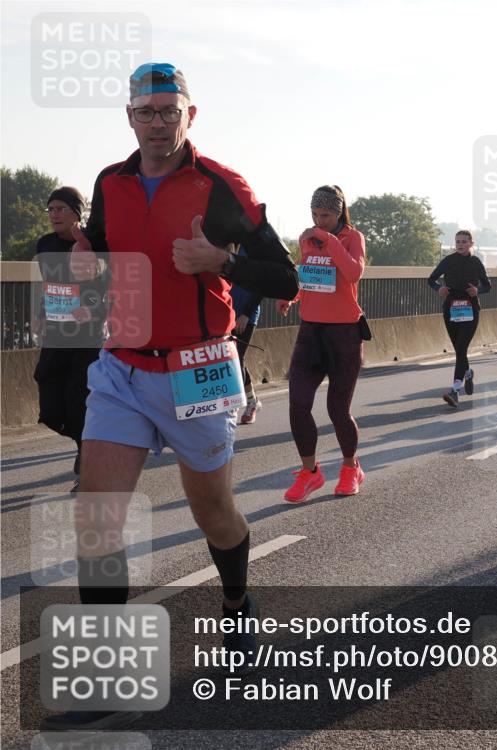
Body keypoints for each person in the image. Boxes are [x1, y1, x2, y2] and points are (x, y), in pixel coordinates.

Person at [46, 63, 299, 732]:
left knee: (214, 512)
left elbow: (287, 279)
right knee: (98, 511)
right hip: (123, 366)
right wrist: (85, 259)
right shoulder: (110, 181)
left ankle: (238, 604)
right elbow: (102, 248)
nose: (157, 121)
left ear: (190, 115)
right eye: (146, 110)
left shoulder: (222, 187)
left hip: (200, 368)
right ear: (130, 117)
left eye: (168, 110)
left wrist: (223, 263)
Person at [277, 185, 367, 501]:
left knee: (337, 409)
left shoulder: (351, 238)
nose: (319, 220)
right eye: (315, 215)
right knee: (298, 403)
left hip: (344, 334)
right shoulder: (306, 239)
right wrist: (294, 296)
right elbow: (315, 277)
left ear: (339, 212)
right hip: (310, 331)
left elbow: (353, 273)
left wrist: (330, 242)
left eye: (326, 215)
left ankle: (350, 467)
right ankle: (310, 472)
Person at [32, 187, 108, 492]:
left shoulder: (97, 244)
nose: (54, 215)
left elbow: (118, 288)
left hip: (89, 337)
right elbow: (50, 284)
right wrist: (39, 312)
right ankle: (85, 442)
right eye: (50, 210)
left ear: (77, 213)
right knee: (49, 406)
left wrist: (93, 310)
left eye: (61, 209)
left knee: (79, 402)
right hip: (56, 333)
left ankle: (87, 463)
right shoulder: (45, 244)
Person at [428, 230, 491, 407]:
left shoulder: (476, 262)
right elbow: (431, 279)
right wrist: (438, 289)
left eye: (464, 241)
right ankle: (468, 372)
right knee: (459, 350)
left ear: (471, 243)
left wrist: (477, 290)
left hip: (470, 309)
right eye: (457, 242)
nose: (460, 244)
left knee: (462, 347)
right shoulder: (448, 261)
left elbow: (488, 286)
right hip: (451, 309)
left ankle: (455, 390)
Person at [230, 248, 263, 425]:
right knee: (228, 359)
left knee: (238, 358)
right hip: (225, 312)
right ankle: (250, 400)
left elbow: (261, 285)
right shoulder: (224, 242)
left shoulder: (254, 247)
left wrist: (246, 314)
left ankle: (246, 402)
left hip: (246, 315)